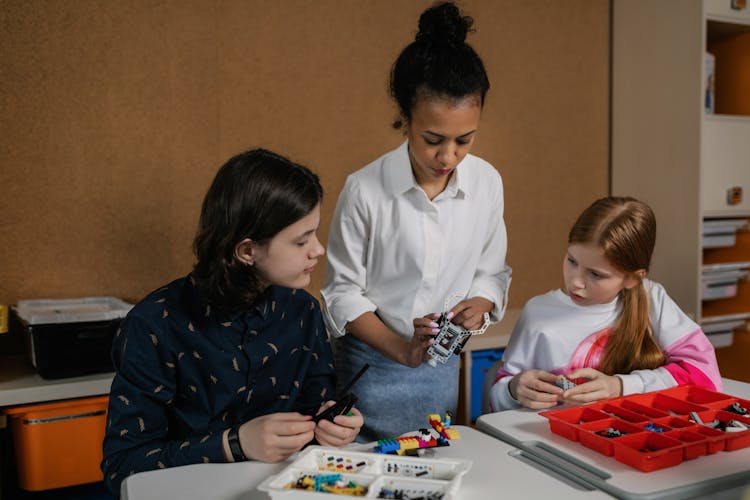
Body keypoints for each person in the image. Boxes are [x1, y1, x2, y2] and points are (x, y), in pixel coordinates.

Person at [102, 149, 363, 495]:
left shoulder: (303, 311)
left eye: (314, 234)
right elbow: (123, 467)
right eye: (302, 240)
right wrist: (233, 444)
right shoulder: (154, 325)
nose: (318, 250)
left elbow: (315, 410)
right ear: (247, 251)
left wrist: (334, 425)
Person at [321, 1, 511, 441]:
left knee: (429, 460)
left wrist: (481, 304)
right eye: (432, 140)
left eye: (464, 140)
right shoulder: (365, 190)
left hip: (438, 370)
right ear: (404, 119)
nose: (448, 157)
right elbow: (341, 293)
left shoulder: (486, 183)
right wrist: (401, 348)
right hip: (368, 367)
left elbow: (492, 271)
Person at [488, 196, 722, 412]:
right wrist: (512, 390)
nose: (576, 282)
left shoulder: (652, 298)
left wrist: (620, 386)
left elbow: (706, 376)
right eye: (572, 261)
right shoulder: (538, 313)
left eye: (596, 275)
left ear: (633, 278)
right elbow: (497, 399)